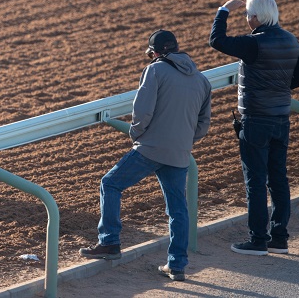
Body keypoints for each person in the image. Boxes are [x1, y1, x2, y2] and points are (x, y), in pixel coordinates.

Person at [79, 30, 211, 282]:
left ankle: (109, 242)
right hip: (180, 153)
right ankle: (177, 265)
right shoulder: (202, 80)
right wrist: (183, 141)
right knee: (177, 210)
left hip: (150, 148)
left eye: (150, 53)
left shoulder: (155, 70)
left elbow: (142, 110)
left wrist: (137, 134)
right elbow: (203, 124)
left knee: (111, 183)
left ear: (156, 52)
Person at [209, 0, 299, 256]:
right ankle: (280, 239)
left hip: (255, 121)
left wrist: (223, 10)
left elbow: (217, 40)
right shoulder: (291, 39)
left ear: (255, 17)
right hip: (281, 120)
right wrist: (276, 88)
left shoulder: (254, 44)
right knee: (278, 180)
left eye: (247, 16)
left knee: (255, 181)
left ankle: (257, 240)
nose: (246, 20)